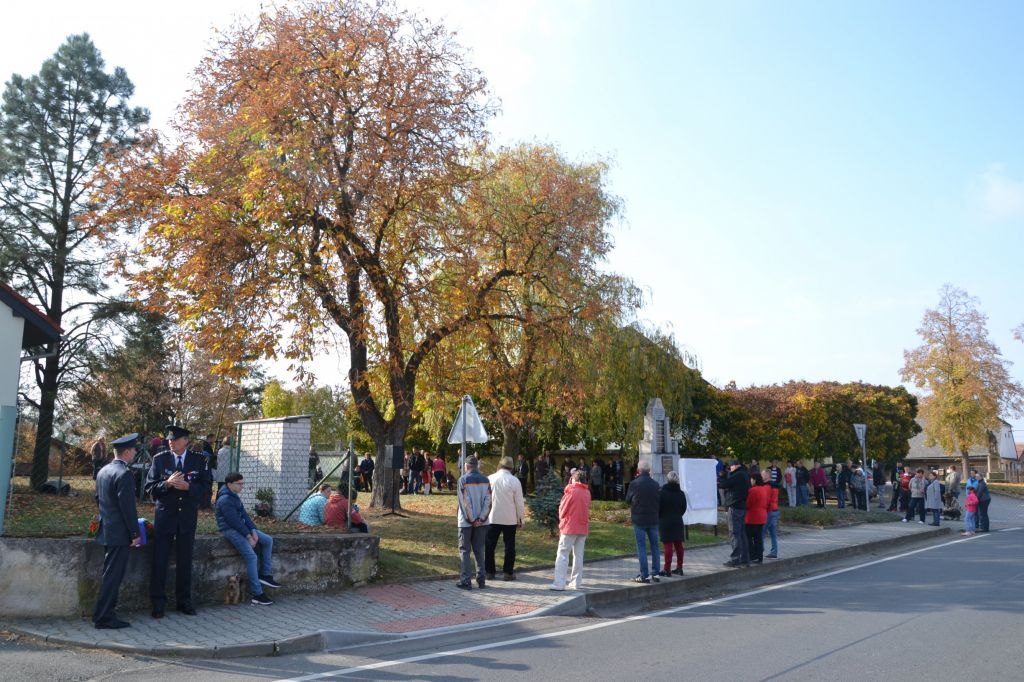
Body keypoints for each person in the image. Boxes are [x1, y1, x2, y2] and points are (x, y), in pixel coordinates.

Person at [145, 424, 211, 618]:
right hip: (165, 517)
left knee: (185, 560)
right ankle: (158, 603)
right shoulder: (160, 459)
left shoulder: (199, 460)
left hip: (187, 518)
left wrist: (188, 487)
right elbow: (149, 488)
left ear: (186, 441)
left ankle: (184, 601)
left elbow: (206, 488)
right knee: (160, 560)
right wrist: (167, 484)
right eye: (169, 440)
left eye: (175, 440)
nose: (171, 443)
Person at [92, 433, 143, 629]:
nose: (135, 452)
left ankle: (101, 614)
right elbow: (128, 508)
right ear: (128, 452)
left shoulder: (104, 471)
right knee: (113, 576)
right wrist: (134, 533)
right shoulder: (124, 474)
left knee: (109, 573)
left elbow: (98, 499)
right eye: (134, 450)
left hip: (107, 529)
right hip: (120, 533)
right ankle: (104, 617)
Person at [215, 472, 280, 606]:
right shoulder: (225, 499)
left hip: (242, 528)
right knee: (252, 557)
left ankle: (265, 575)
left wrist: (253, 530)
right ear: (229, 484)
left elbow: (244, 516)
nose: (242, 486)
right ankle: (257, 594)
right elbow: (234, 521)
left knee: (268, 540)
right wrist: (249, 536)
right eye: (239, 484)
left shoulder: (234, 496)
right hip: (230, 530)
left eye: (242, 483)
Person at [549, 468, 591, 590]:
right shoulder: (587, 492)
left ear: (574, 479)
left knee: (562, 553)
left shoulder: (571, 491)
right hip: (582, 527)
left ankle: (559, 583)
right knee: (578, 555)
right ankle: (576, 582)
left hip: (569, 527)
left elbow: (562, 509)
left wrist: (561, 521)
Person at [485, 456, 525, 581]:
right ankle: (508, 573)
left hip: (492, 517)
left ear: (500, 465)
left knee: (489, 546)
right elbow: (519, 503)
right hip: (510, 519)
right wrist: (521, 519)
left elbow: (485, 499)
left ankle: (489, 572)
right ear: (511, 468)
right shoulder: (515, 481)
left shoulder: (490, 478)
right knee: (509, 547)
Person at [456, 456, 492, 589]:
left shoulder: (463, 480)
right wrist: (480, 519)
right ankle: (481, 580)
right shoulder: (485, 480)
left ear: (466, 466)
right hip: (481, 522)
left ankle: (466, 580)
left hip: (466, 522)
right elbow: (488, 501)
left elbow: (465, 502)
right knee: (479, 550)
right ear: (477, 466)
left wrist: (471, 520)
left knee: (465, 551)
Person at [626, 459, 661, 583]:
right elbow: (659, 501)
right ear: (649, 470)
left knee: (641, 547)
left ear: (638, 470)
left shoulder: (634, 483)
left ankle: (644, 575)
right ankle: (656, 573)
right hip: (653, 518)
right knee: (655, 546)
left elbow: (627, 500)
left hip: (639, 519)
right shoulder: (655, 484)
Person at [720, 459, 750, 568]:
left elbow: (723, 484)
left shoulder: (737, 475)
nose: (730, 469)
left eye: (731, 467)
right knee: (742, 534)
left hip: (734, 506)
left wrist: (723, 476)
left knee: (734, 533)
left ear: (735, 466)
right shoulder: (745, 474)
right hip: (741, 506)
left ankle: (735, 559)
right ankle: (745, 559)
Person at [658, 470, 687, 577]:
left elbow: (658, 508)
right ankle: (679, 568)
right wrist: (677, 514)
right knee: (679, 545)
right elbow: (683, 508)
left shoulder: (662, 493)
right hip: (678, 520)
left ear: (667, 480)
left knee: (668, 545)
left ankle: (667, 569)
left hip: (665, 521)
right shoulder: (681, 493)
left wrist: (660, 517)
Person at [745, 474, 769, 564]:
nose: (750, 481)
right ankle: (759, 557)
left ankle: (752, 556)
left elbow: (748, 504)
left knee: (748, 537)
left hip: (752, 517)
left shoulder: (753, 490)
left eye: (751, 479)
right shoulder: (764, 489)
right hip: (762, 516)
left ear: (754, 480)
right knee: (758, 538)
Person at [762, 471, 781, 558]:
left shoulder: (767, 486)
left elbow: (765, 500)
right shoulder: (774, 485)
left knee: (761, 532)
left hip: (769, 511)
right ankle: (774, 552)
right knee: (773, 533)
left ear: (767, 475)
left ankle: (759, 552)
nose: (761, 476)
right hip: (775, 510)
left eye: (762, 474)